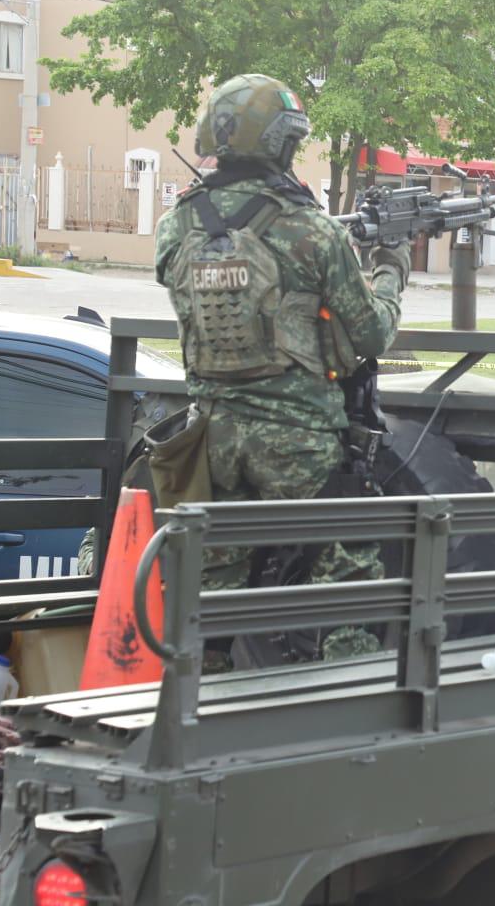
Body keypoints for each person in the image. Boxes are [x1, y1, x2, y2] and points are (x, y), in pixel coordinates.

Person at [154, 73, 410, 667]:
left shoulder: (176, 225)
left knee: (213, 584)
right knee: (347, 568)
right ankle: (351, 703)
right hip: (297, 442)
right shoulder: (309, 229)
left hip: (209, 440)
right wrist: (392, 271)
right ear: (279, 144)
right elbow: (371, 331)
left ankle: (196, 707)